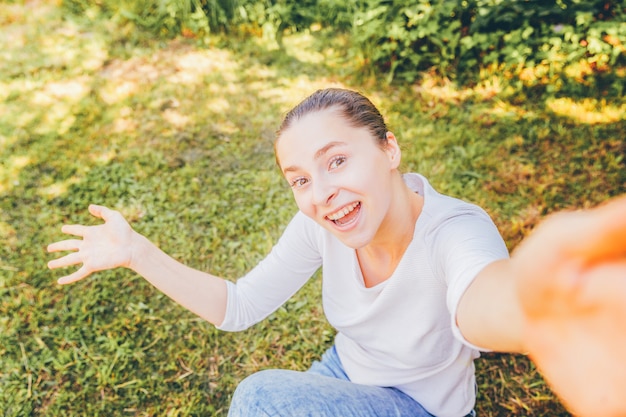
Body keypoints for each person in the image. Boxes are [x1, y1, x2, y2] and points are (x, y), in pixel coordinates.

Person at [47, 88, 626, 417]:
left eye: (337, 161)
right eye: (299, 179)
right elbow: (240, 305)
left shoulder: (455, 230)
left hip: (422, 406)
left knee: (260, 398)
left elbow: (484, 299)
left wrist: (539, 309)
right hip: (344, 374)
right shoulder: (322, 227)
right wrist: (138, 252)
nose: (321, 194)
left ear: (389, 149)